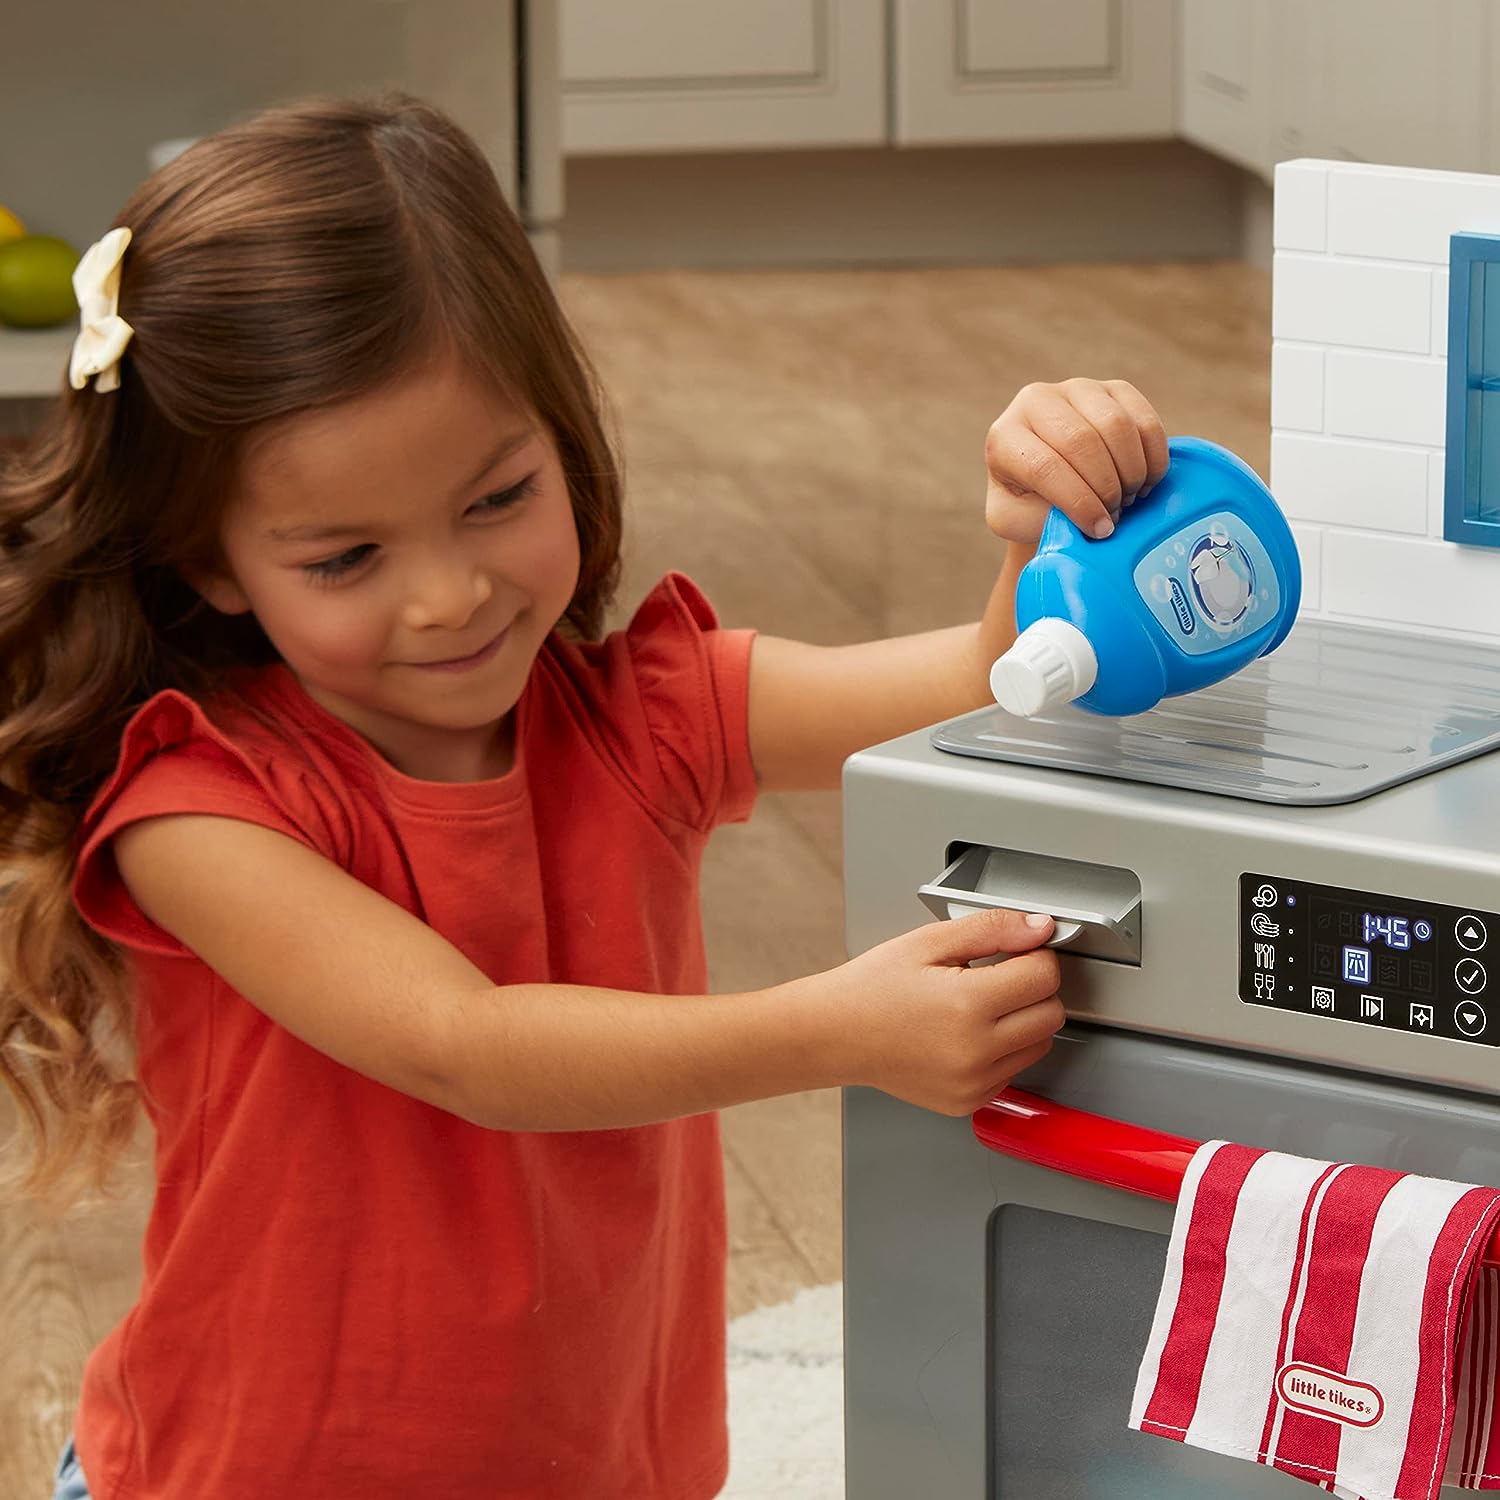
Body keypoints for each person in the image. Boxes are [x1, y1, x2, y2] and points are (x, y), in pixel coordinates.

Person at [0, 93, 1169, 1500]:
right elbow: (464, 1046)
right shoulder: (200, 807)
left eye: (498, 498)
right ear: (210, 563)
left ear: (563, 438)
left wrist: (1045, 508)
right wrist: (836, 1030)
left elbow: (991, 676)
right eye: (347, 556)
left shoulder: (642, 714)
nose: (451, 596)